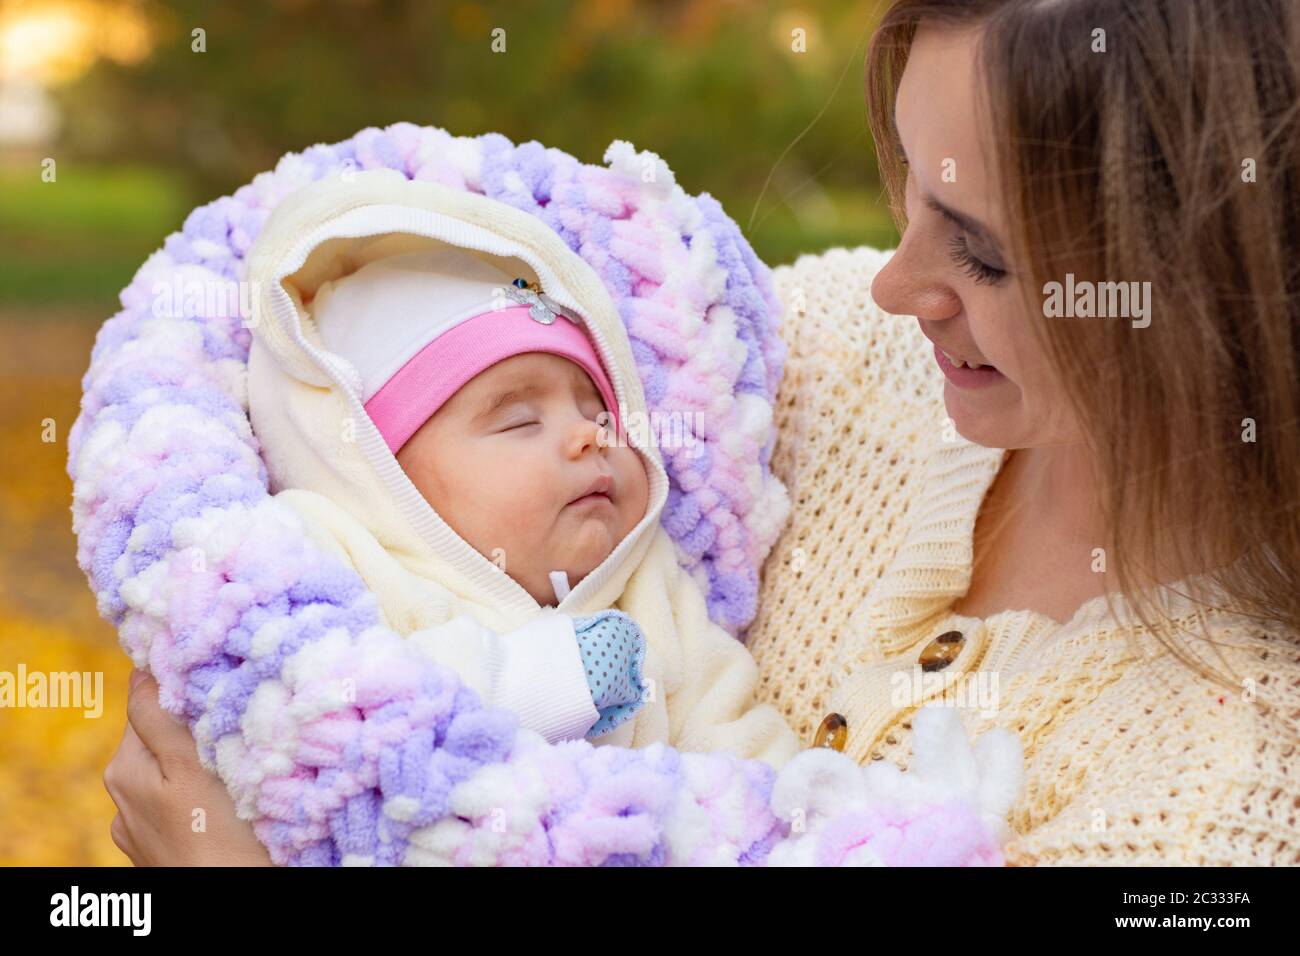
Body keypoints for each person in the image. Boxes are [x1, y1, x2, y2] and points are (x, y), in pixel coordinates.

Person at [107, 0, 1300, 866]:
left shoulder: (1222, 793)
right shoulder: (814, 359)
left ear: (1200, 293)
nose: (897, 283)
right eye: (907, 199)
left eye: (981, 252)